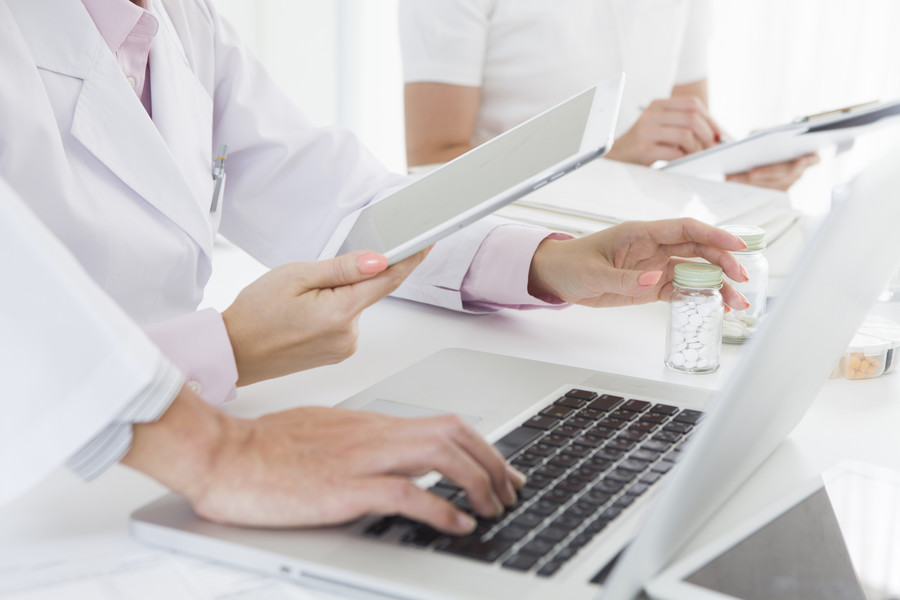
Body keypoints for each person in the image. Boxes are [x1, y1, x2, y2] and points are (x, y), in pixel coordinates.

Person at [0, 0, 748, 531]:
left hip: (143, 463)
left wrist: (547, 264)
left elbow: (338, 201)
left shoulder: (177, 19)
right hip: (42, 482)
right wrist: (223, 367)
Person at [399, 0, 818, 190]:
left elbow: (686, 134)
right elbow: (430, 163)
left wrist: (743, 166)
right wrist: (609, 154)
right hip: (515, 244)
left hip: (645, 237)